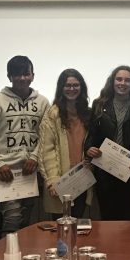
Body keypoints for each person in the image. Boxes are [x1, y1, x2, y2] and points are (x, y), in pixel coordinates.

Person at [0, 55, 50, 233]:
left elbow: (46, 135)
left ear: (33, 75)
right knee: (12, 219)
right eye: (17, 74)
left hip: (31, 171)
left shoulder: (42, 102)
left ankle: (21, 252)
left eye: (26, 74)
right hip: (5, 171)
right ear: (9, 76)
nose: (22, 78)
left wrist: (35, 157)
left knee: (26, 221)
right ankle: (5, 252)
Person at [86, 65, 130, 220]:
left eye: (127, 80)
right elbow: (92, 134)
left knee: (128, 217)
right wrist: (89, 149)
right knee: (107, 216)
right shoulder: (99, 104)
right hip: (104, 170)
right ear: (112, 81)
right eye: (119, 79)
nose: (123, 83)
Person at [38, 68, 91, 218]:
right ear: (61, 88)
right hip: (61, 180)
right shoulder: (52, 115)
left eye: (76, 85)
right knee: (61, 224)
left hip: (82, 178)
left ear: (82, 87)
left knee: (78, 223)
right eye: (67, 85)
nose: (72, 89)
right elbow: (46, 152)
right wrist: (52, 181)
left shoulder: (88, 114)